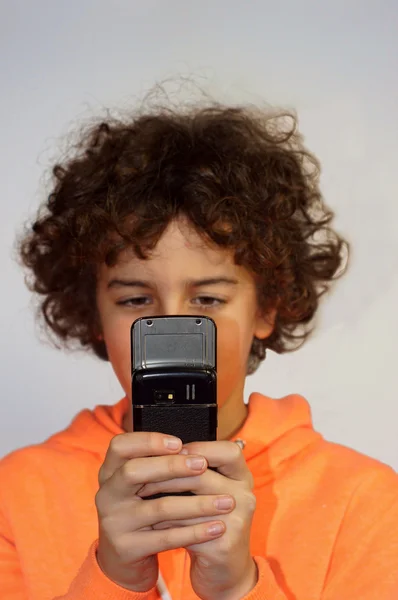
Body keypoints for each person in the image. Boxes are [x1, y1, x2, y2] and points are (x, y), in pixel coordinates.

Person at [1, 99, 397, 600]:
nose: (171, 327)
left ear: (267, 309)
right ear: (93, 314)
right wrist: (112, 579)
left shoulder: (364, 501)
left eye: (207, 298)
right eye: (136, 299)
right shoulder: (15, 495)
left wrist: (237, 589)